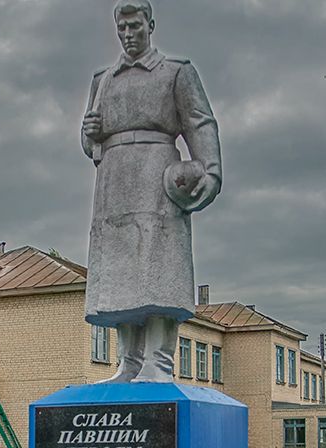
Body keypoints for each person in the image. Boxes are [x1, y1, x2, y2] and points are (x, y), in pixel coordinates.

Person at [81, 0, 222, 383]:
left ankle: (158, 362)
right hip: (113, 183)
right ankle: (128, 362)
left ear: (150, 25)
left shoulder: (175, 72)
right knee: (121, 276)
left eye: (135, 26)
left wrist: (209, 172)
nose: (128, 34)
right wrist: (89, 135)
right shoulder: (103, 79)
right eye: (122, 27)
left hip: (156, 174)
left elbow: (200, 123)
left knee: (158, 270)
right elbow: (91, 144)